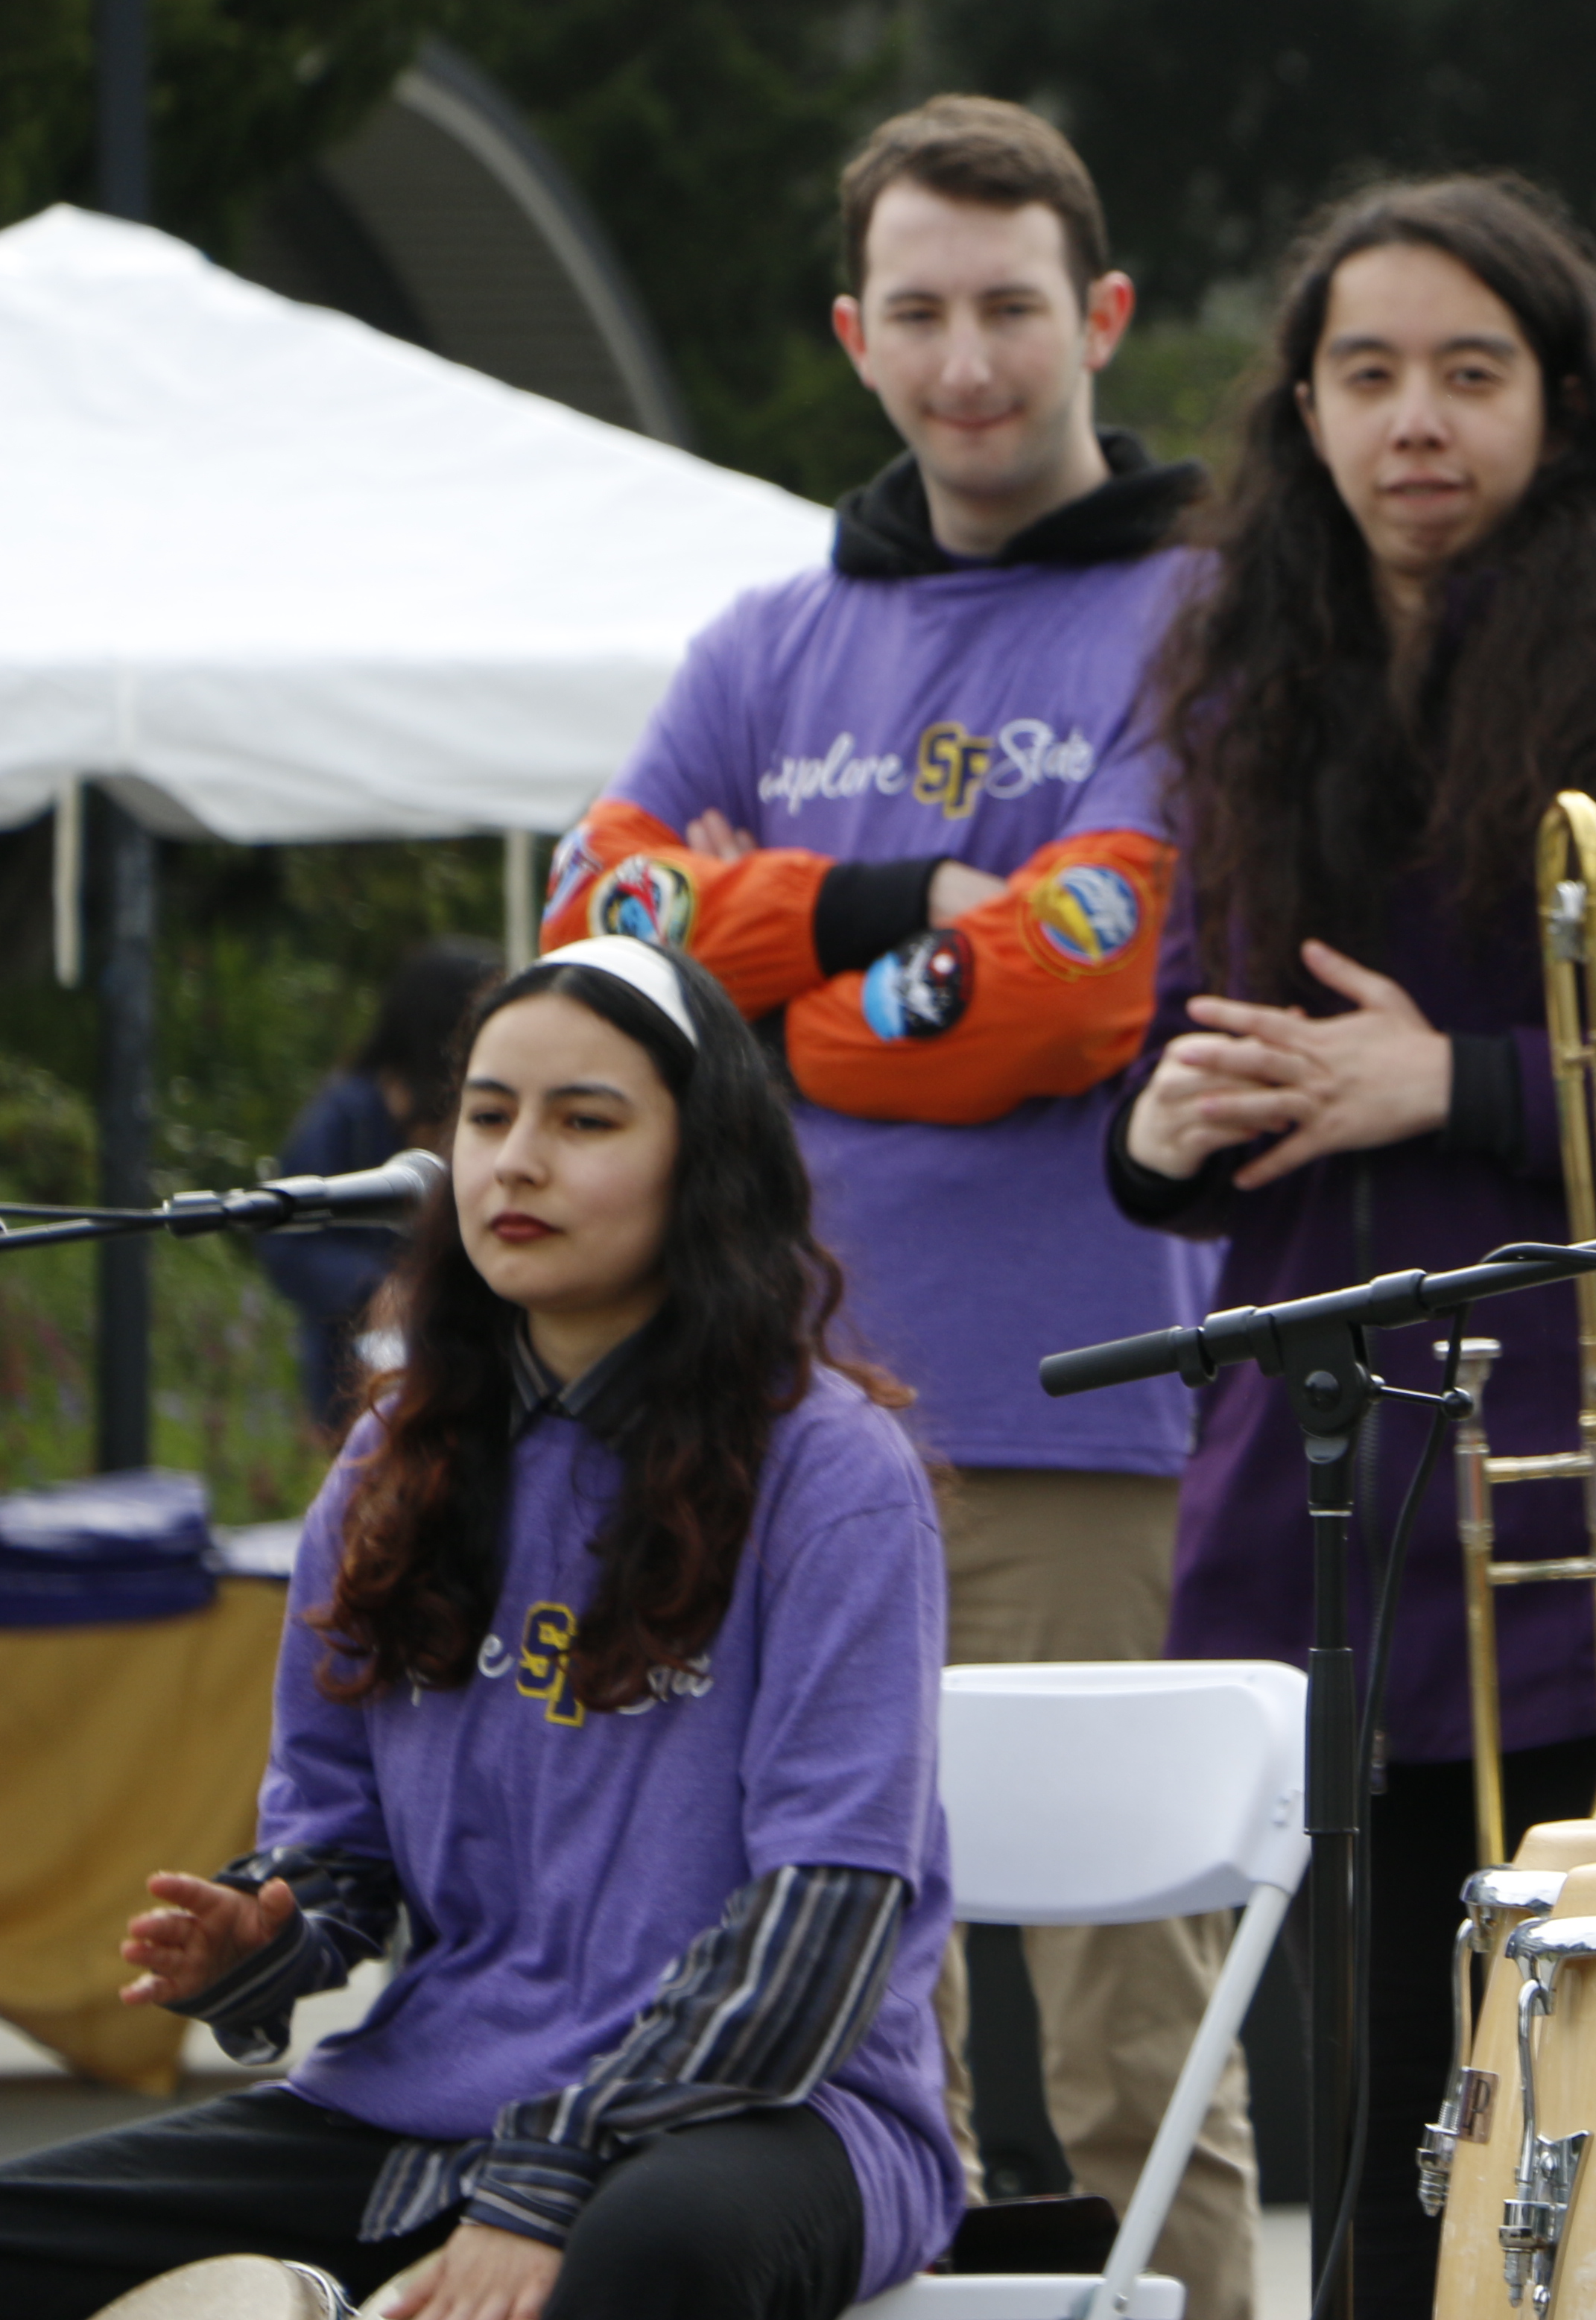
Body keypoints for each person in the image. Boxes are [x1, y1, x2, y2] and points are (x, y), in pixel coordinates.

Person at [539, 96, 1253, 2319]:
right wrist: (867, 906)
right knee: (838, 2043)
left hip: (1076, 1418)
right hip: (778, 1424)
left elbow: (1080, 983)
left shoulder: (1197, 610)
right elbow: (595, 923)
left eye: (1011, 310)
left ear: (1100, 316)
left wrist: (779, 1017)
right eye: (921, 313)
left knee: (1138, 2024)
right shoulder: (774, 630)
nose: (969, 363)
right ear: (854, 333)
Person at [1110, 171, 1596, 2289]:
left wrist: (1459, 1080)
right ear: (1302, 416)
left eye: (1468, 372)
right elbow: (1192, 1073)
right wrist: (1162, 1124)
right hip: (1310, 1500)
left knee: (1594, 2170)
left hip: (1590, 1521)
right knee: (1346, 2176)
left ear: (1564, 404)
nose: (1413, 418)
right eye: (1365, 375)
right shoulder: (1246, 694)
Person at [0, 938, 960, 2320]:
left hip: (774, 2109)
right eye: (490, 1113)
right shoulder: (397, 1456)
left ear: (708, 1159)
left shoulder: (829, 1469)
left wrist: (547, 2176)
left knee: (651, 2251)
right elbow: (342, 1847)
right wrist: (268, 1940)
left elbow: (820, 1926)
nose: (516, 1160)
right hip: (432, 2093)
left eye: (586, 1119)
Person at [259, 939, 500, 1436]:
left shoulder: (495, 1113)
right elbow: (287, 1244)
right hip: (356, 1370)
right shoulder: (344, 1115)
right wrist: (372, 1289)